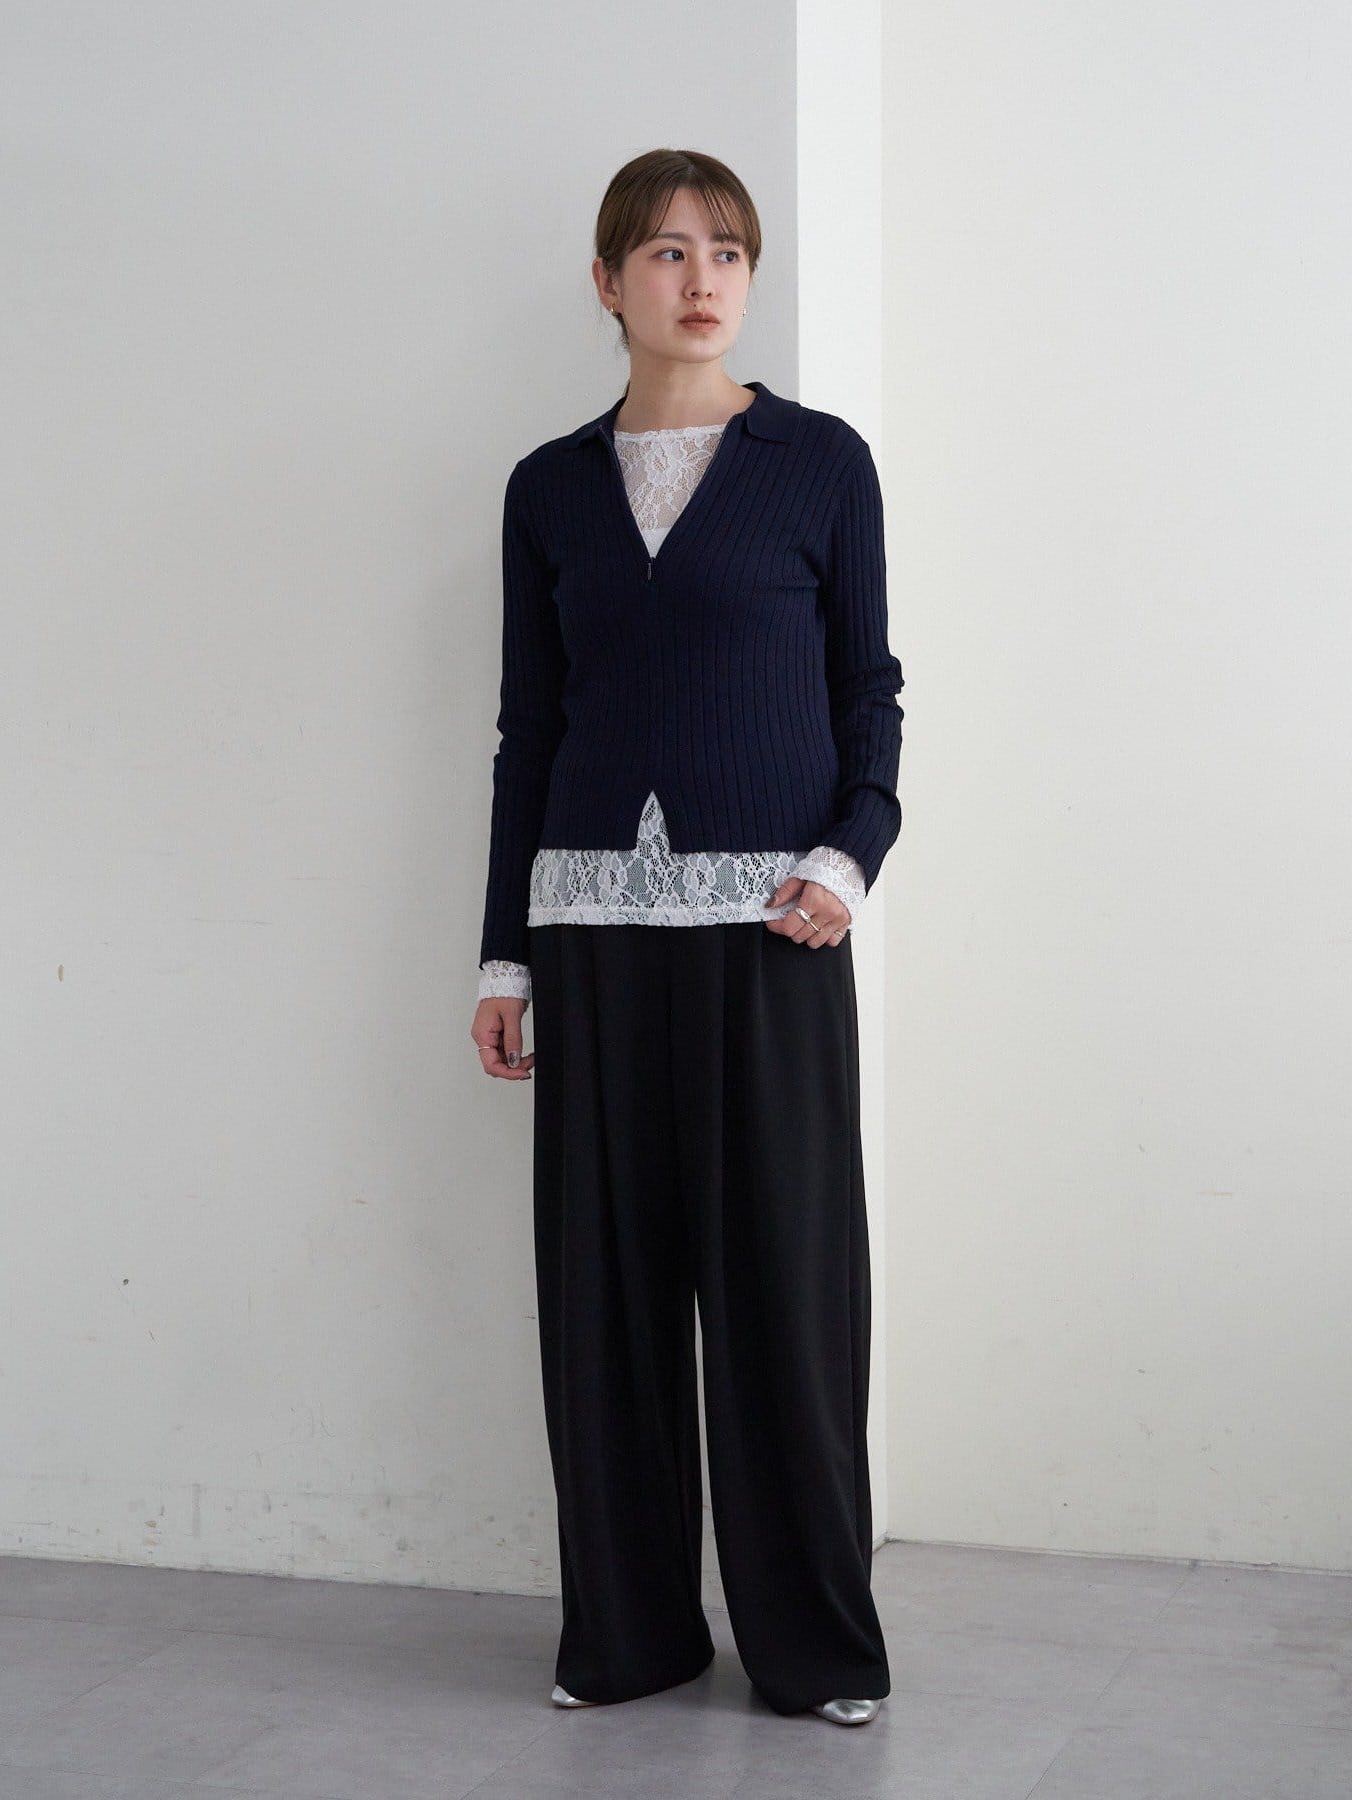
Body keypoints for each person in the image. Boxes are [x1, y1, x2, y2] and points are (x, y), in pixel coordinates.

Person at [470, 148, 904, 1728]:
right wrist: (504, 952)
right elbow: (528, 730)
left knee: (785, 1295)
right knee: (609, 1300)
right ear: (609, 284)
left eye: (726, 250)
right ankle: (631, 1635)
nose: (700, 277)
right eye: (664, 251)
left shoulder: (820, 463)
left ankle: (816, 1648)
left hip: (774, 934)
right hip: (590, 931)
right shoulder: (547, 489)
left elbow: (869, 689)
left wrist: (854, 857)